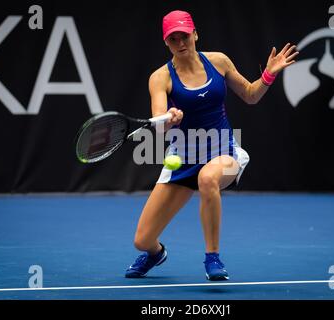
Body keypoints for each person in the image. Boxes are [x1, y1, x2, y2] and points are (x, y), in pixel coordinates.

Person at [125, 10, 298, 280]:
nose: (181, 43)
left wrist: (268, 74)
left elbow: (251, 96)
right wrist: (170, 118)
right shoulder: (160, 78)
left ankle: (212, 258)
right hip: (182, 161)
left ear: (195, 34)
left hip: (223, 153)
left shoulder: (218, 61)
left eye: (185, 36)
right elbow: (159, 124)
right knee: (142, 240)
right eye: (173, 39)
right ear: (166, 43)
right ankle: (155, 254)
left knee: (208, 178)